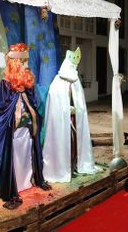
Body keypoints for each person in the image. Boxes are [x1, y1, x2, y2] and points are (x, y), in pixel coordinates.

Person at [0, 43, 51, 210]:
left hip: (26, 134)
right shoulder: (4, 86)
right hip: (12, 136)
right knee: (14, 161)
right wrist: (12, 120)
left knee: (26, 159)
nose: (27, 66)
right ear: (15, 64)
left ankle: (29, 181)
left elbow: (35, 105)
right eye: (23, 62)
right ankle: (12, 188)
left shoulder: (28, 87)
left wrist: (30, 116)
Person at [42, 47, 98, 183]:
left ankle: (73, 166)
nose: (74, 68)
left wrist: (76, 110)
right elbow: (55, 101)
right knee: (63, 143)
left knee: (74, 144)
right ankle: (61, 167)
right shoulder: (58, 82)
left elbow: (80, 103)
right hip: (61, 122)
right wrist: (65, 110)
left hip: (74, 120)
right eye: (72, 65)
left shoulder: (75, 81)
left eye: (76, 66)